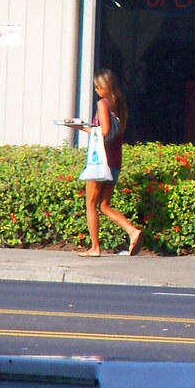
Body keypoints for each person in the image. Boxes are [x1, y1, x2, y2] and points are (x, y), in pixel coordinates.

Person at [70, 69, 143, 257]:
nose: (96, 90)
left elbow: (104, 131)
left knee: (91, 204)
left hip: (100, 161)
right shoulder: (119, 104)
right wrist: (80, 127)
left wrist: (85, 126)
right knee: (104, 205)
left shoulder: (103, 103)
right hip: (115, 159)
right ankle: (132, 231)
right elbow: (109, 132)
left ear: (106, 86)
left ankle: (95, 247)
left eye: (98, 86)